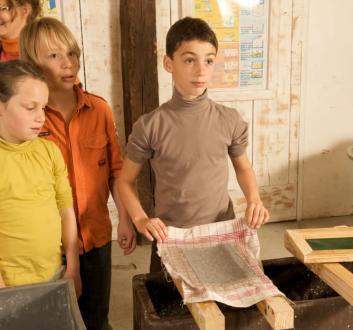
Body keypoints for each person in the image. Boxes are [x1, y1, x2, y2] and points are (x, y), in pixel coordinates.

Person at [117, 17, 269, 272]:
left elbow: (243, 168)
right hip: (171, 236)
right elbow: (125, 181)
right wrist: (140, 218)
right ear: (169, 63)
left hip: (221, 231)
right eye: (189, 60)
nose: (201, 71)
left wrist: (254, 199)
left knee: (228, 305)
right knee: (174, 306)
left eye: (208, 60)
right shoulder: (151, 125)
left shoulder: (229, 120)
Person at [20, 17, 136, 330]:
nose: (68, 63)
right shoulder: (28, 122)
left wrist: (125, 218)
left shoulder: (99, 110)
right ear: (32, 64)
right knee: (55, 320)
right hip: (49, 246)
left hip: (97, 236)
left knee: (97, 318)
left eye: (72, 54)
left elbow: (116, 171)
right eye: (54, 56)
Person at [0, 60, 80, 293]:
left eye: (43, 107)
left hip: (55, 274)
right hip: (9, 284)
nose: (40, 117)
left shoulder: (49, 151)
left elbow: (66, 208)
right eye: (30, 107)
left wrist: (72, 267)